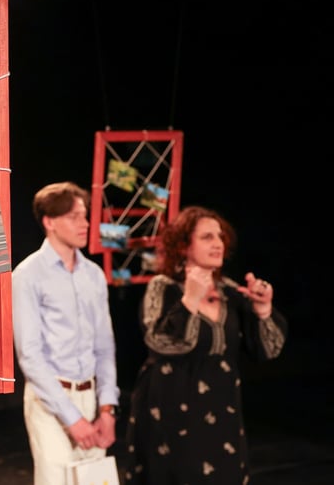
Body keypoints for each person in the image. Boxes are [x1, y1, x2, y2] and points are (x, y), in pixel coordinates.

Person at [119, 205, 287, 485]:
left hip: (221, 410)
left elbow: (269, 350)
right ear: (184, 246)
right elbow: (158, 341)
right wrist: (190, 300)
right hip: (170, 409)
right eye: (207, 237)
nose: (218, 243)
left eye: (220, 237)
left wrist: (263, 309)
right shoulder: (163, 287)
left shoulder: (230, 291)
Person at [12, 182, 120, 485]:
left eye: (84, 216)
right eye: (74, 217)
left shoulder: (93, 275)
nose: (85, 224)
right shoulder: (28, 275)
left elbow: (105, 348)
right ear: (50, 222)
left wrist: (107, 409)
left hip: (91, 398)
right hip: (50, 401)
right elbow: (30, 356)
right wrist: (72, 418)